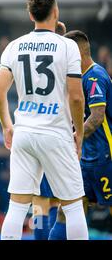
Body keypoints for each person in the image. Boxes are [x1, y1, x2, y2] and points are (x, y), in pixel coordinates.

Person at [0, 0, 88, 240]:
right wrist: (78, 131)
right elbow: (77, 97)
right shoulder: (68, 46)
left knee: (17, 206)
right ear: (55, 12)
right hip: (56, 132)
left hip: (24, 132)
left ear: (31, 15)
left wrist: (7, 125)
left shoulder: (14, 46)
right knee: (74, 206)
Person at [49, 30, 112, 240]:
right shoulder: (77, 79)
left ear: (77, 53)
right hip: (85, 159)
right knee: (67, 208)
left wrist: (74, 137)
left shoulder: (95, 76)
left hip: (105, 157)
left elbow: (97, 116)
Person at [31, 20, 67, 240]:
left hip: (33, 133)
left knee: (39, 203)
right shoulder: (67, 59)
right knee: (63, 203)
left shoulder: (31, 57)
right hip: (59, 136)